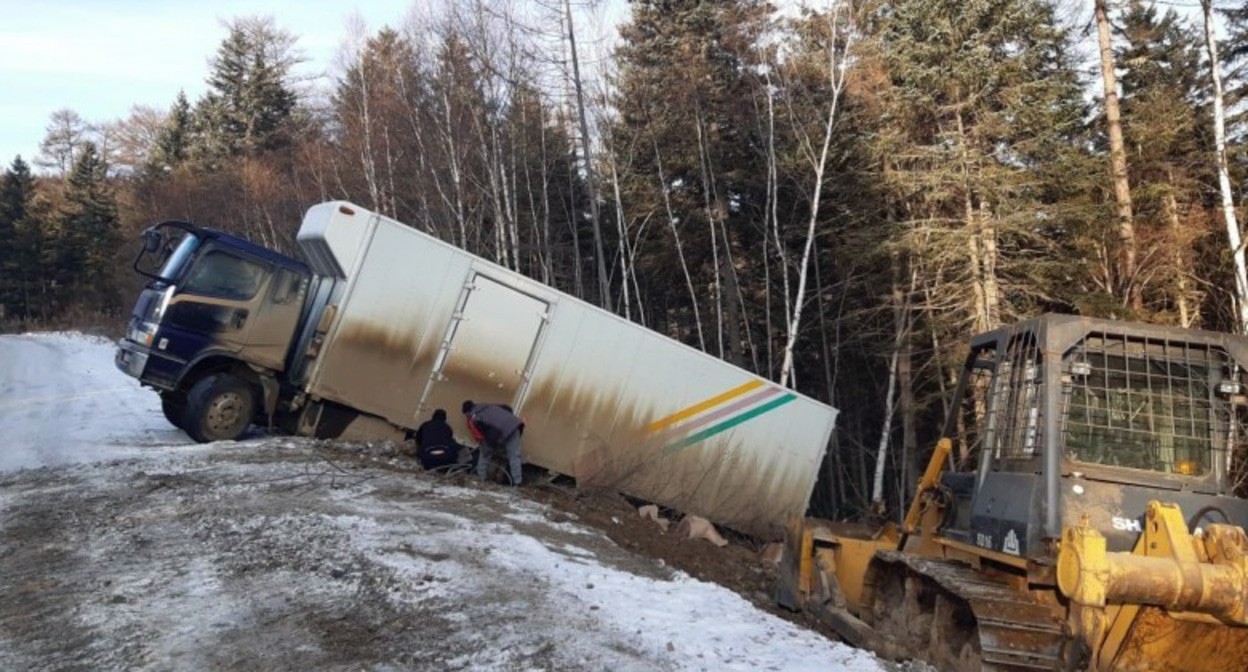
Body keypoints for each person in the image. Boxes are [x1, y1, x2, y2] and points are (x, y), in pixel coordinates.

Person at [462, 399, 525, 485]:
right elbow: (507, 408)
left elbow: (479, 437)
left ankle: (481, 478)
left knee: (484, 455)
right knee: (515, 456)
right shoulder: (488, 406)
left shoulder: (473, 418)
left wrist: (486, 447)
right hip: (514, 426)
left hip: (498, 432)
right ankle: (518, 482)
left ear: (467, 412)